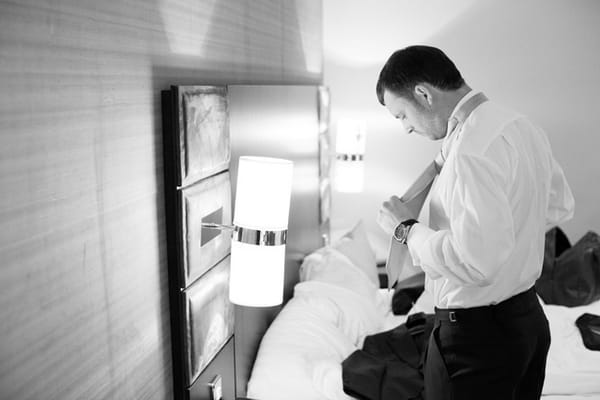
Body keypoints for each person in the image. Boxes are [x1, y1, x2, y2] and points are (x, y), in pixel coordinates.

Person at [375, 45, 575, 400]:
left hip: (476, 343)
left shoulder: (469, 152)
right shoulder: (519, 125)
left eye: (401, 115)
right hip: (527, 321)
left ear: (423, 93)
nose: (405, 128)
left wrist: (407, 229)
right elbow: (559, 206)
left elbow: (474, 262)